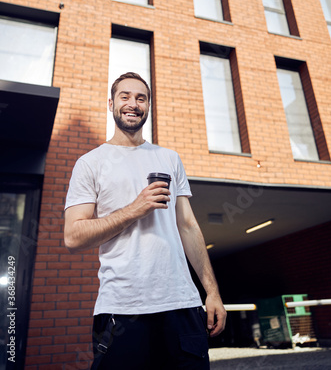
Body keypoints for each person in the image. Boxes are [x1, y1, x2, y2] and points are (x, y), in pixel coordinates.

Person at [64, 72, 227, 370]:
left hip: (181, 305)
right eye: (125, 96)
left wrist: (212, 292)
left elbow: (188, 226)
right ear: (111, 103)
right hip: (122, 309)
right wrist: (134, 209)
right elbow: (73, 236)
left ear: (148, 106)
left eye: (141, 98)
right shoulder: (90, 163)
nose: (133, 104)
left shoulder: (169, 158)